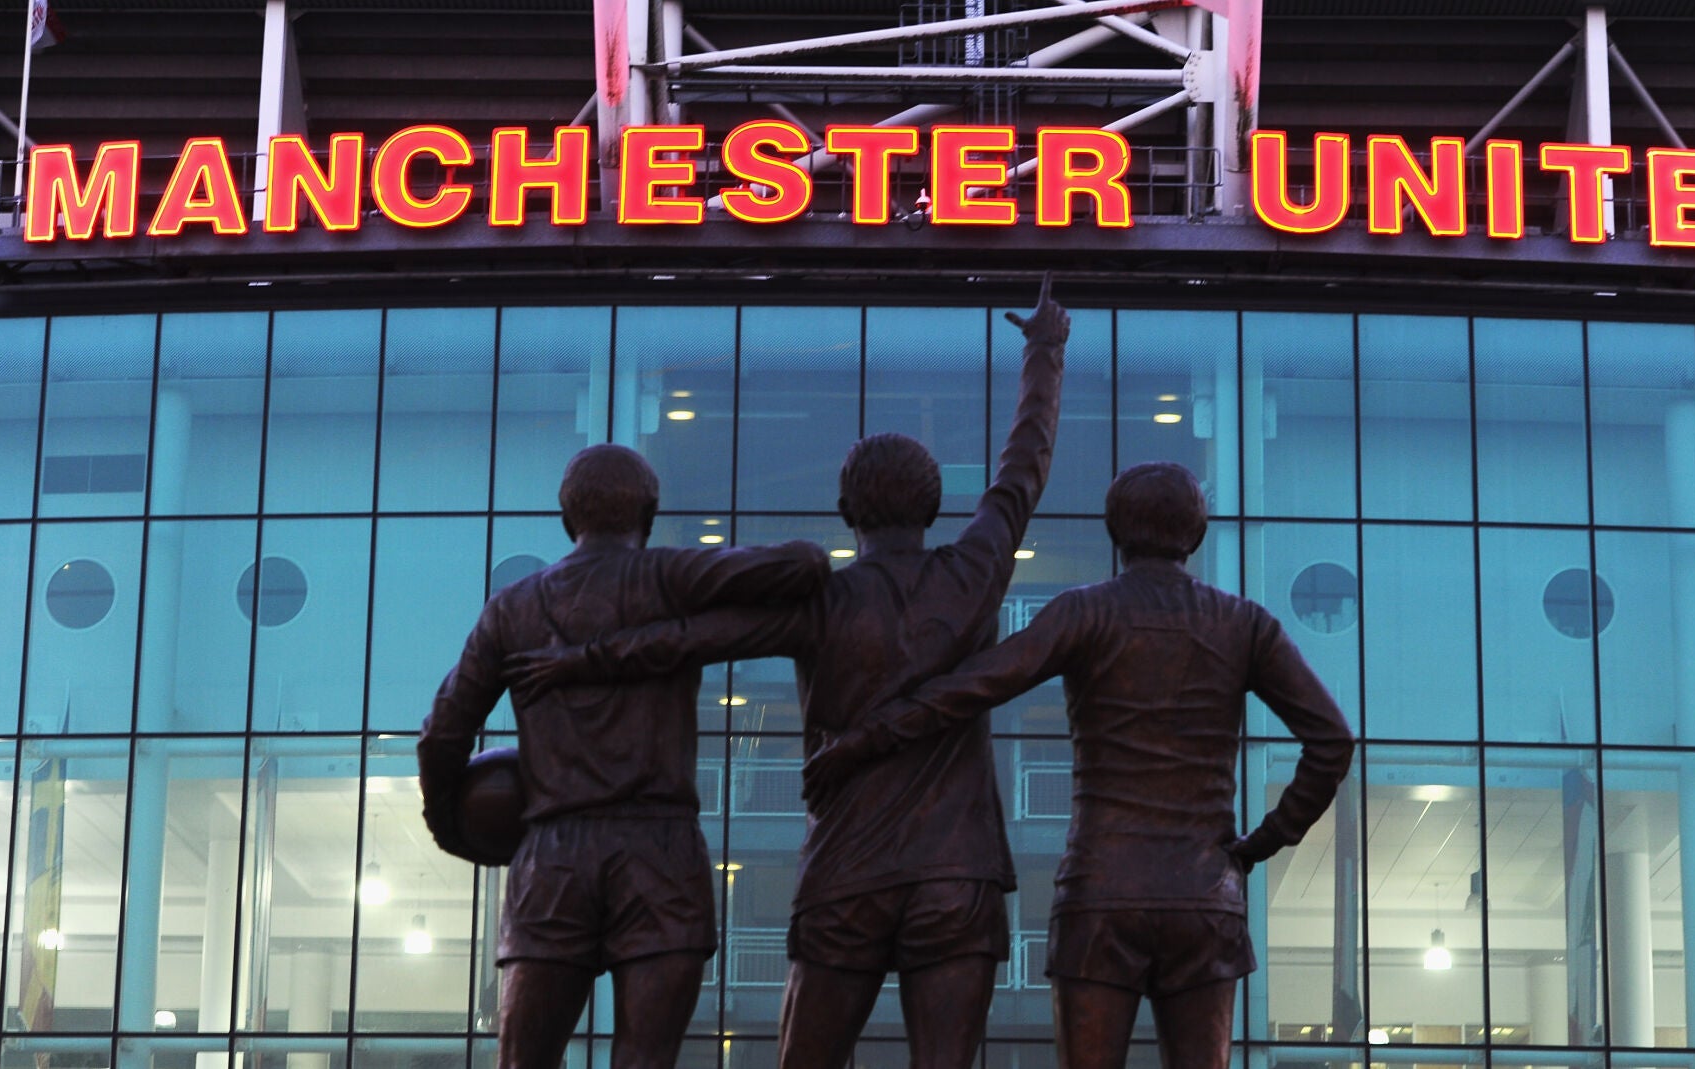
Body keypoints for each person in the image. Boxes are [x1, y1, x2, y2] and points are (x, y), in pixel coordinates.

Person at [504, 278, 1070, 1069]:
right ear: (934, 504)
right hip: (957, 871)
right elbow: (1023, 467)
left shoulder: (820, 604)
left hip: (844, 872)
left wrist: (578, 658)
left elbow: (687, 640)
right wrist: (1045, 350)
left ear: (846, 509)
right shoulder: (973, 571)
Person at [803, 461, 1354, 1069]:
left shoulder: (1084, 612)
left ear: (1115, 533)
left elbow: (970, 688)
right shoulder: (1244, 624)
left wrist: (862, 739)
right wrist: (1260, 844)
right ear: (1196, 535)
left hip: (1101, 892)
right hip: (1203, 896)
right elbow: (1332, 741)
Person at [416, 443, 829, 1069]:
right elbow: (806, 564)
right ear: (649, 513)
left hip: (553, 855)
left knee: (523, 1060)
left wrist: (454, 829)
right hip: (659, 850)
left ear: (567, 518)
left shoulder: (514, 608)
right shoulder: (670, 577)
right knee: (646, 1058)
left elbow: (442, 735)